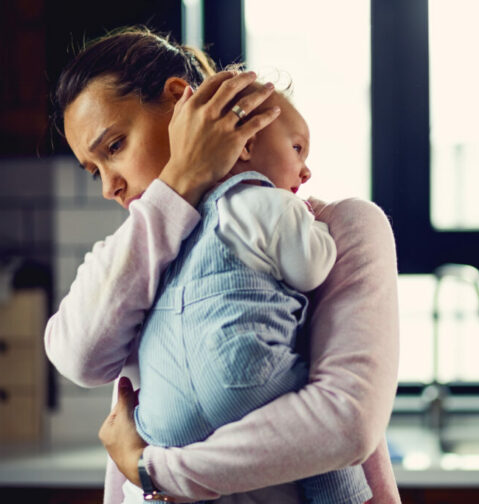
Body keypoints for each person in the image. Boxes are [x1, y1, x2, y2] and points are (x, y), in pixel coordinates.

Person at [45, 27, 401, 504]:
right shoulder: (126, 252)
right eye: (94, 170)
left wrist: (154, 469)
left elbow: (345, 424)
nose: (109, 186)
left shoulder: (334, 228)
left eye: (114, 147)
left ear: (178, 101)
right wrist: (178, 187)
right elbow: (81, 358)